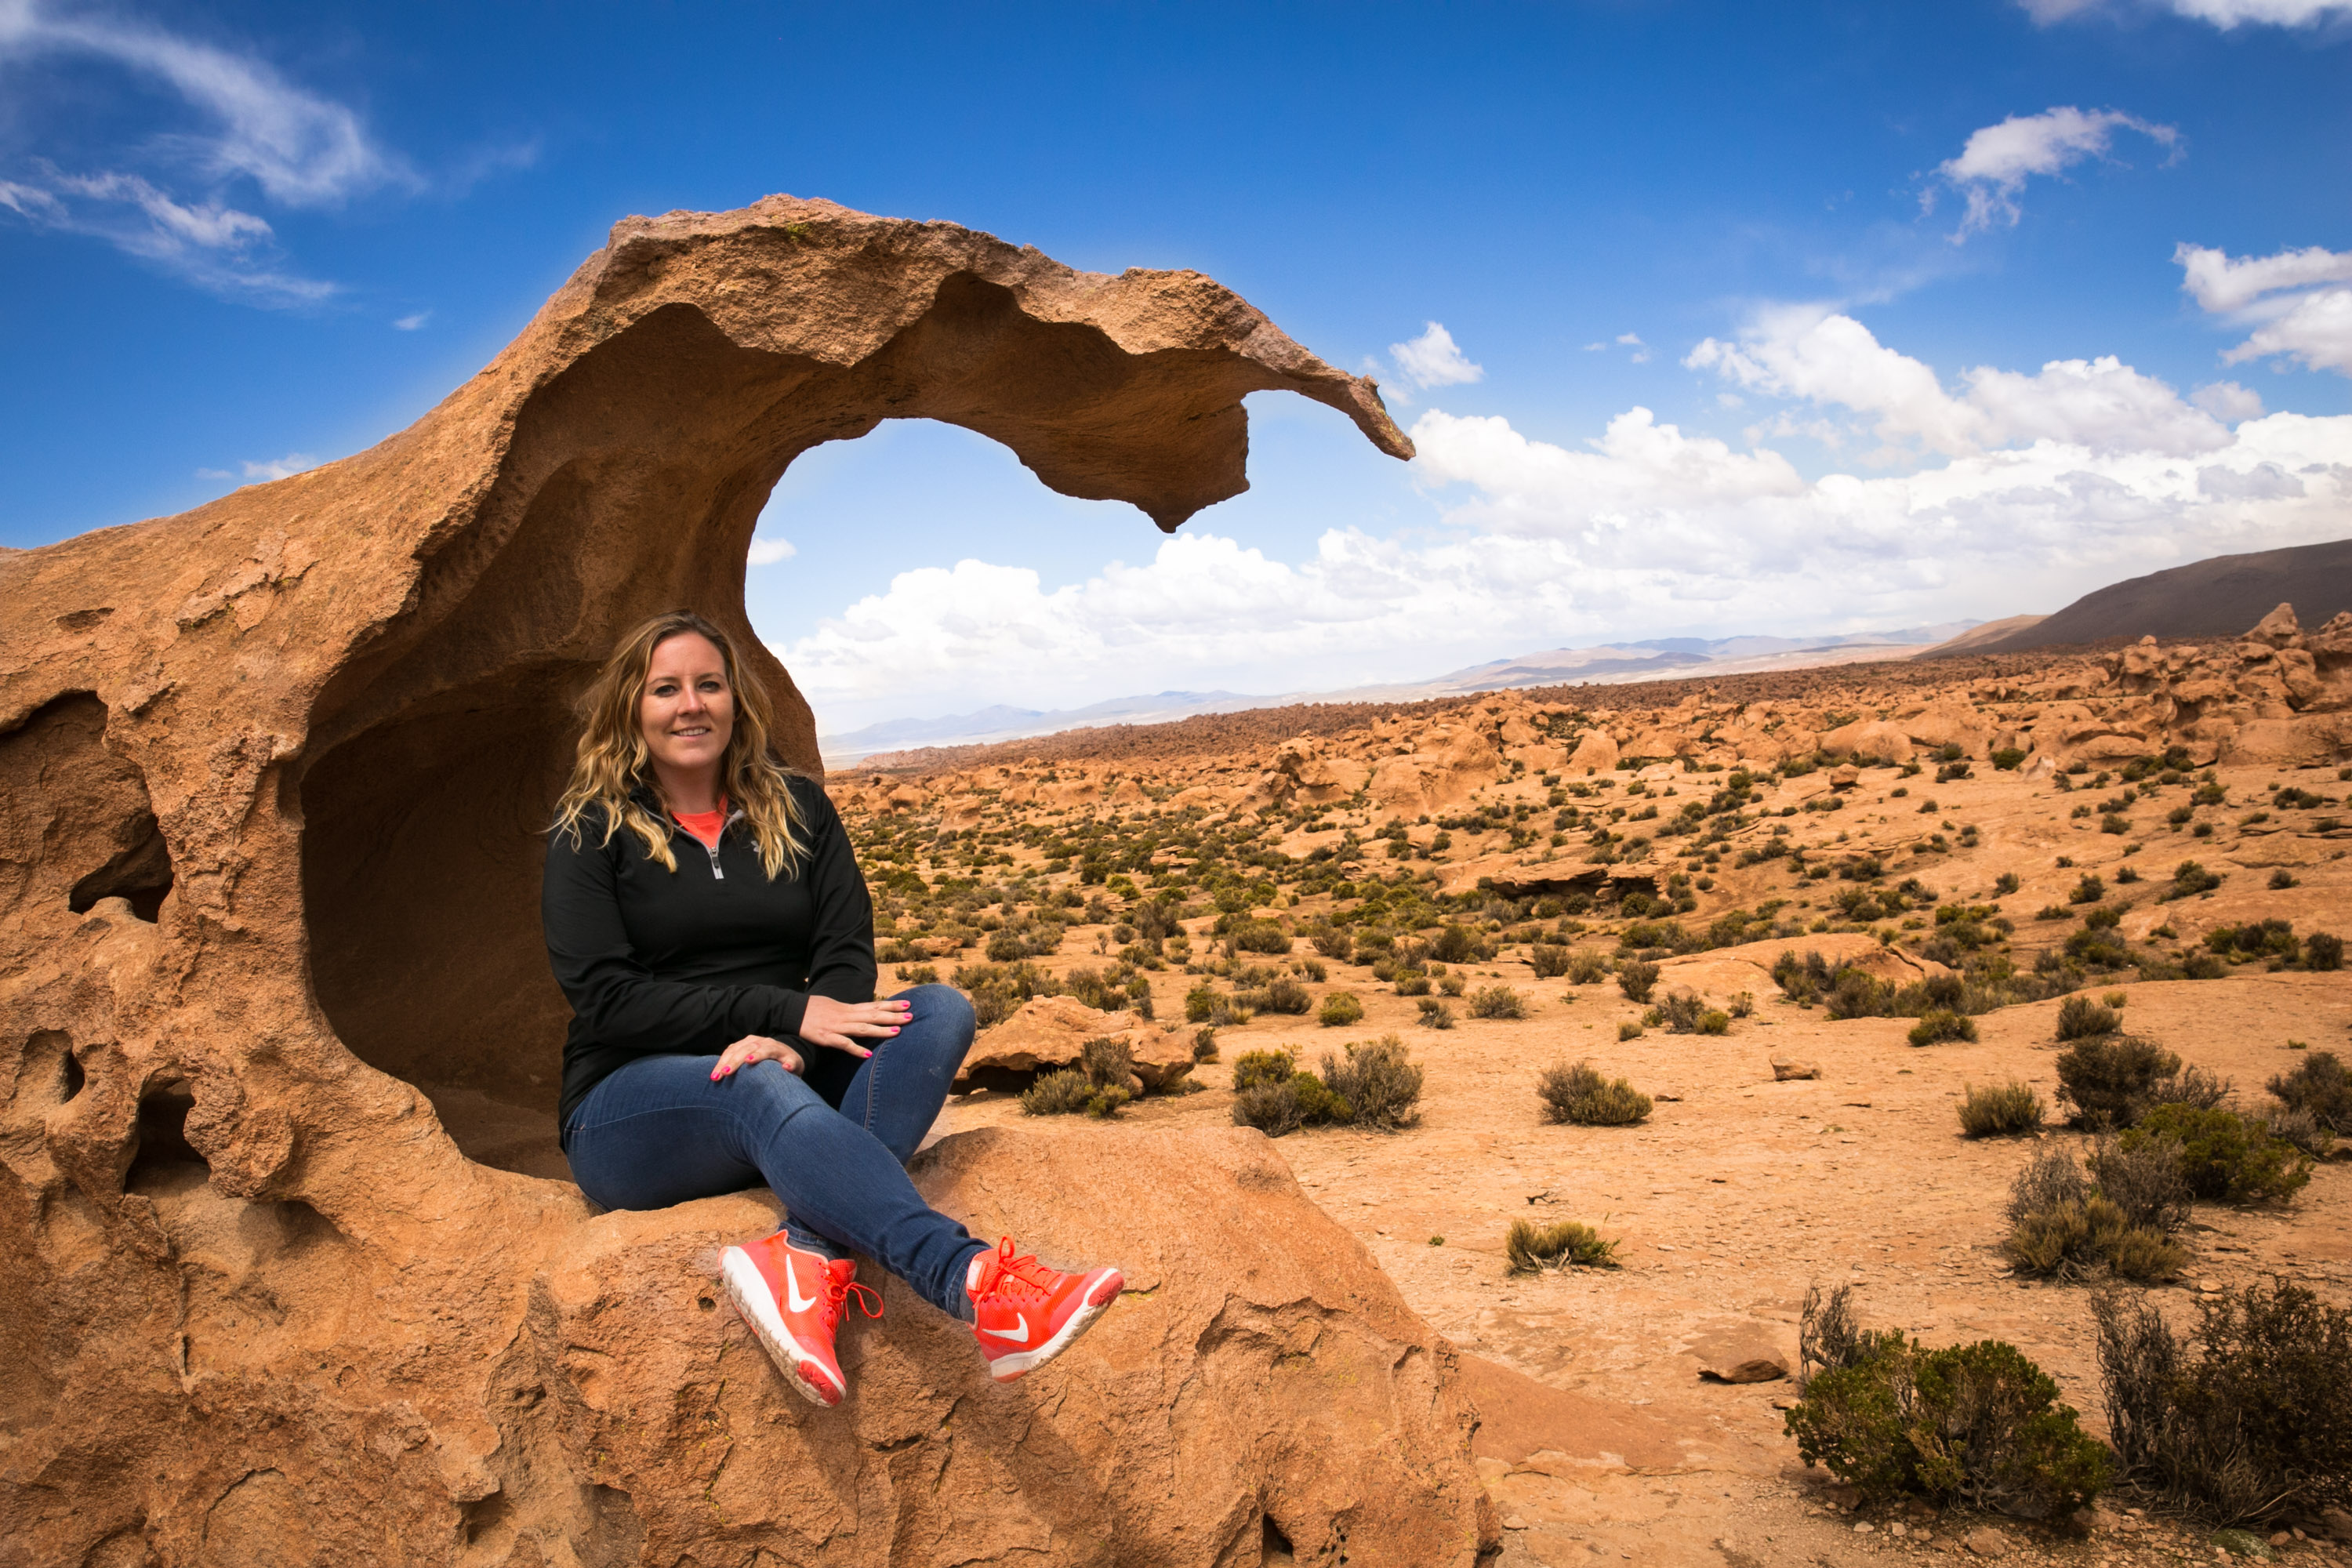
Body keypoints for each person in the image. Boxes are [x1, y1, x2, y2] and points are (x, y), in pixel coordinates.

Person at [541, 609, 1121, 1407]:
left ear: (737, 699)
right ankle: (972, 1280)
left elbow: (846, 953)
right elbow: (609, 1001)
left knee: (939, 1011)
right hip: (630, 1107)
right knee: (752, 1079)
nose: (691, 705)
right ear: (630, 709)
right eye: (665, 688)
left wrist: (796, 1041)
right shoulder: (591, 829)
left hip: (785, 1072)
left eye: (709, 684)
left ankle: (806, 1252)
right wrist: (780, 1017)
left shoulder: (799, 807)